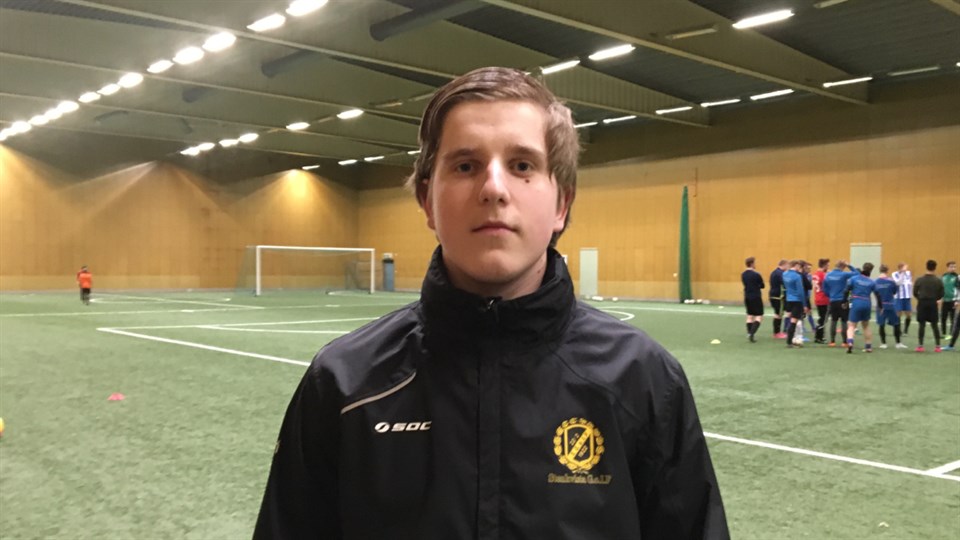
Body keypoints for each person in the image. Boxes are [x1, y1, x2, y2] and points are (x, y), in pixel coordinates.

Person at [254, 67, 728, 539]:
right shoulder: (344, 384)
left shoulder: (644, 380)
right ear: (427, 201)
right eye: (465, 166)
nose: (493, 188)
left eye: (522, 166)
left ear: (561, 204)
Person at [913, 259, 945, 352]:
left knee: (921, 325)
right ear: (935, 268)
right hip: (932, 303)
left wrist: (920, 298)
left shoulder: (920, 279)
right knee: (934, 325)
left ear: (926, 267)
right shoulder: (938, 280)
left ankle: (920, 346)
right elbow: (942, 293)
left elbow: (915, 292)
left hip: (922, 303)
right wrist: (936, 299)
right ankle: (938, 346)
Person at [845, 263, 876, 354]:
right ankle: (868, 347)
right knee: (866, 326)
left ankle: (850, 342)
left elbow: (846, 290)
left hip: (856, 301)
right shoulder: (871, 282)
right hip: (867, 302)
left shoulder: (854, 279)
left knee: (851, 325)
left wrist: (845, 301)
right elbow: (877, 294)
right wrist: (881, 305)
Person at [873, 265, 905, 349]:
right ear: (887, 271)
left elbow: (875, 293)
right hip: (890, 305)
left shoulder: (875, 282)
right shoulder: (891, 281)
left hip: (880, 306)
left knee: (881, 325)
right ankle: (898, 343)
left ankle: (883, 343)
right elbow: (894, 292)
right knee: (896, 324)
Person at [823, 260, 853, 347]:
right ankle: (844, 342)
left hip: (833, 300)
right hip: (842, 300)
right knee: (844, 321)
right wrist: (849, 265)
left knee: (834, 320)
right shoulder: (844, 274)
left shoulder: (828, 275)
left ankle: (832, 341)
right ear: (843, 267)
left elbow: (824, 288)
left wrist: (830, 295)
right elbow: (857, 273)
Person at [782, 260, 805, 348]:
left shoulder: (784, 274)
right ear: (795, 266)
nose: (799, 268)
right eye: (799, 266)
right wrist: (804, 303)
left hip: (788, 299)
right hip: (796, 300)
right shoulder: (797, 276)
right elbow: (800, 291)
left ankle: (789, 338)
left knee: (790, 319)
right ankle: (789, 342)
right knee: (794, 321)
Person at [742, 256, 765, 342]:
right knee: (759, 316)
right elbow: (762, 285)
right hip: (756, 296)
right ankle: (752, 333)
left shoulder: (743, 274)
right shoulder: (756, 274)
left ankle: (749, 333)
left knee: (749, 315)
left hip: (747, 296)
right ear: (752, 264)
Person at [811, 258, 830, 344]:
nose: (828, 267)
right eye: (828, 265)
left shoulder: (815, 274)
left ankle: (819, 335)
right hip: (823, 298)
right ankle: (819, 336)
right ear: (824, 265)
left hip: (817, 297)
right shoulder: (823, 275)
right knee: (823, 319)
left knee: (821, 318)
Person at [892, 263, 913, 335]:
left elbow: (909, 283)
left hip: (907, 297)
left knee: (909, 314)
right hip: (899, 297)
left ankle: (906, 330)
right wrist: (902, 273)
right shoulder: (894, 274)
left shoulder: (908, 273)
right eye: (904, 267)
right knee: (898, 314)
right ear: (900, 268)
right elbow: (898, 283)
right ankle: (898, 330)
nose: (906, 269)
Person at [769, 260, 788, 338]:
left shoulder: (773, 272)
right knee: (779, 314)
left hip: (772, 295)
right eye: (787, 266)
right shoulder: (781, 273)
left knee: (777, 313)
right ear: (784, 265)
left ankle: (776, 332)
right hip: (779, 296)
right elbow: (784, 284)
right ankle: (777, 333)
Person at [941, 261, 957, 336]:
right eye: (951, 267)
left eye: (954, 267)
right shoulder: (944, 276)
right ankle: (943, 333)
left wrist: (957, 300)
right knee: (943, 318)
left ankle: (951, 333)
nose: (953, 268)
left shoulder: (957, 277)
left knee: (952, 318)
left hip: (953, 301)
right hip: (945, 300)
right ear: (947, 267)